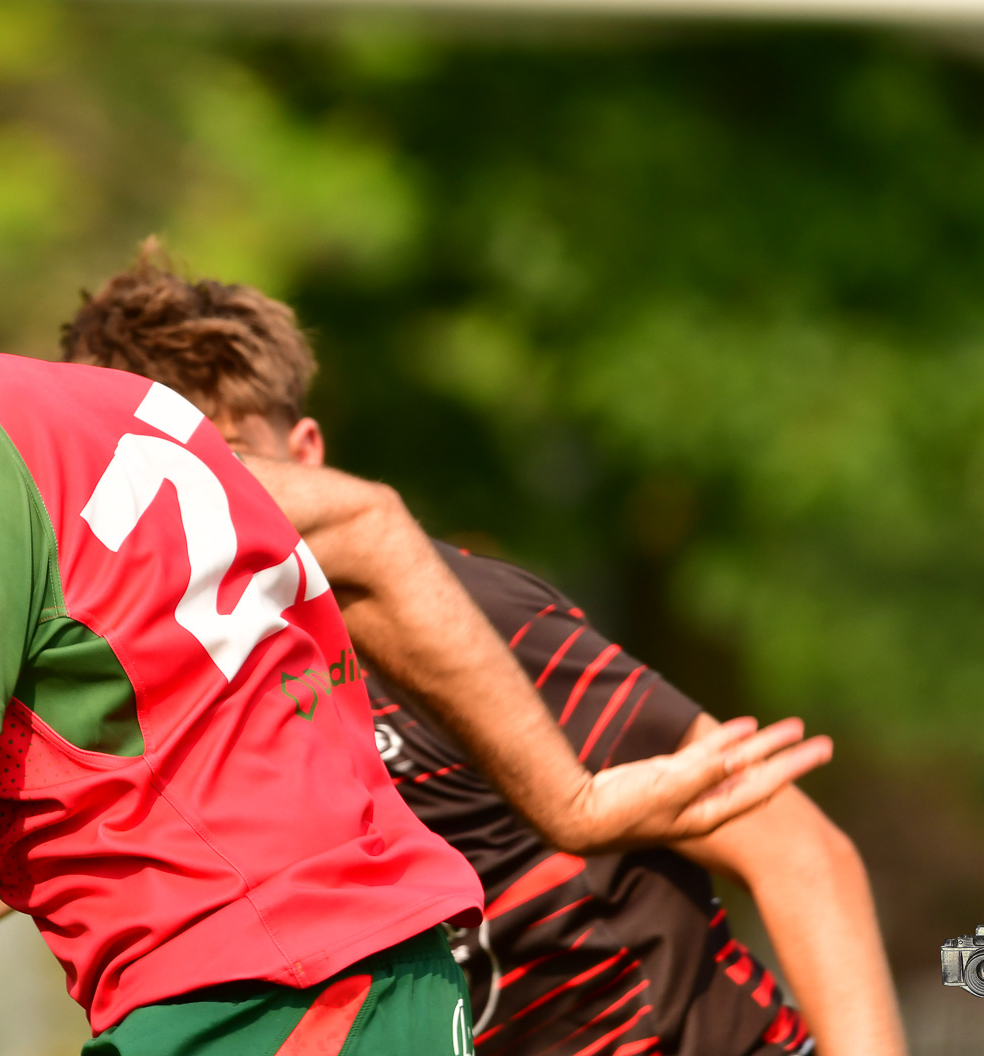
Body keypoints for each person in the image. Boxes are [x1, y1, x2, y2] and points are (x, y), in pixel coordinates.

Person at [0, 86, 830, 1055]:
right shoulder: (80, 418)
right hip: (367, 986)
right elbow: (369, 536)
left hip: (255, 1006)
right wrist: (573, 802)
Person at [56, 250, 905, 1056]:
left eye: (234, 468)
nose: (210, 515)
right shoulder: (153, 694)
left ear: (309, 457)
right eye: (167, 488)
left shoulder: (464, 621)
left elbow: (801, 854)